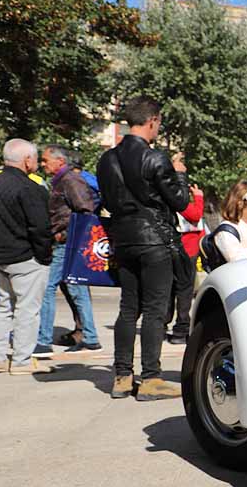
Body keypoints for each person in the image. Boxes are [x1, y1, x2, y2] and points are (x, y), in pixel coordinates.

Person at [96, 97, 191, 401]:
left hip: (123, 241)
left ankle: (123, 376)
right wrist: (179, 174)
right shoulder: (156, 158)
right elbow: (181, 202)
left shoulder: (106, 159)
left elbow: (109, 203)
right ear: (152, 120)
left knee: (128, 308)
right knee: (154, 309)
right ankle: (151, 378)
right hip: (154, 241)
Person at [33, 145, 101, 357]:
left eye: (45, 161)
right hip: (66, 242)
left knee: (47, 289)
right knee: (77, 289)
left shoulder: (70, 180)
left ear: (60, 161)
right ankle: (90, 337)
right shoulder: (64, 180)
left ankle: (43, 341)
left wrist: (65, 235)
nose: (43, 165)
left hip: (66, 243)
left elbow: (85, 210)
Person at [0, 139, 54, 375]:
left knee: (0, 308)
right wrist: (44, 256)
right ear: (27, 160)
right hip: (25, 257)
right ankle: (21, 360)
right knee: (27, 309)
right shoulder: (31, 188)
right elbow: (40, 227)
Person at [165, 180, 205, 345]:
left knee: (169, 289)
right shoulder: (181, 203)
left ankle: (162, 325)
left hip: (173, 250)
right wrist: (199, 197)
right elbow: (195, 215)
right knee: (184, 291)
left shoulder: (165, 201)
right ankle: (181, 329)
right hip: (186, 251)